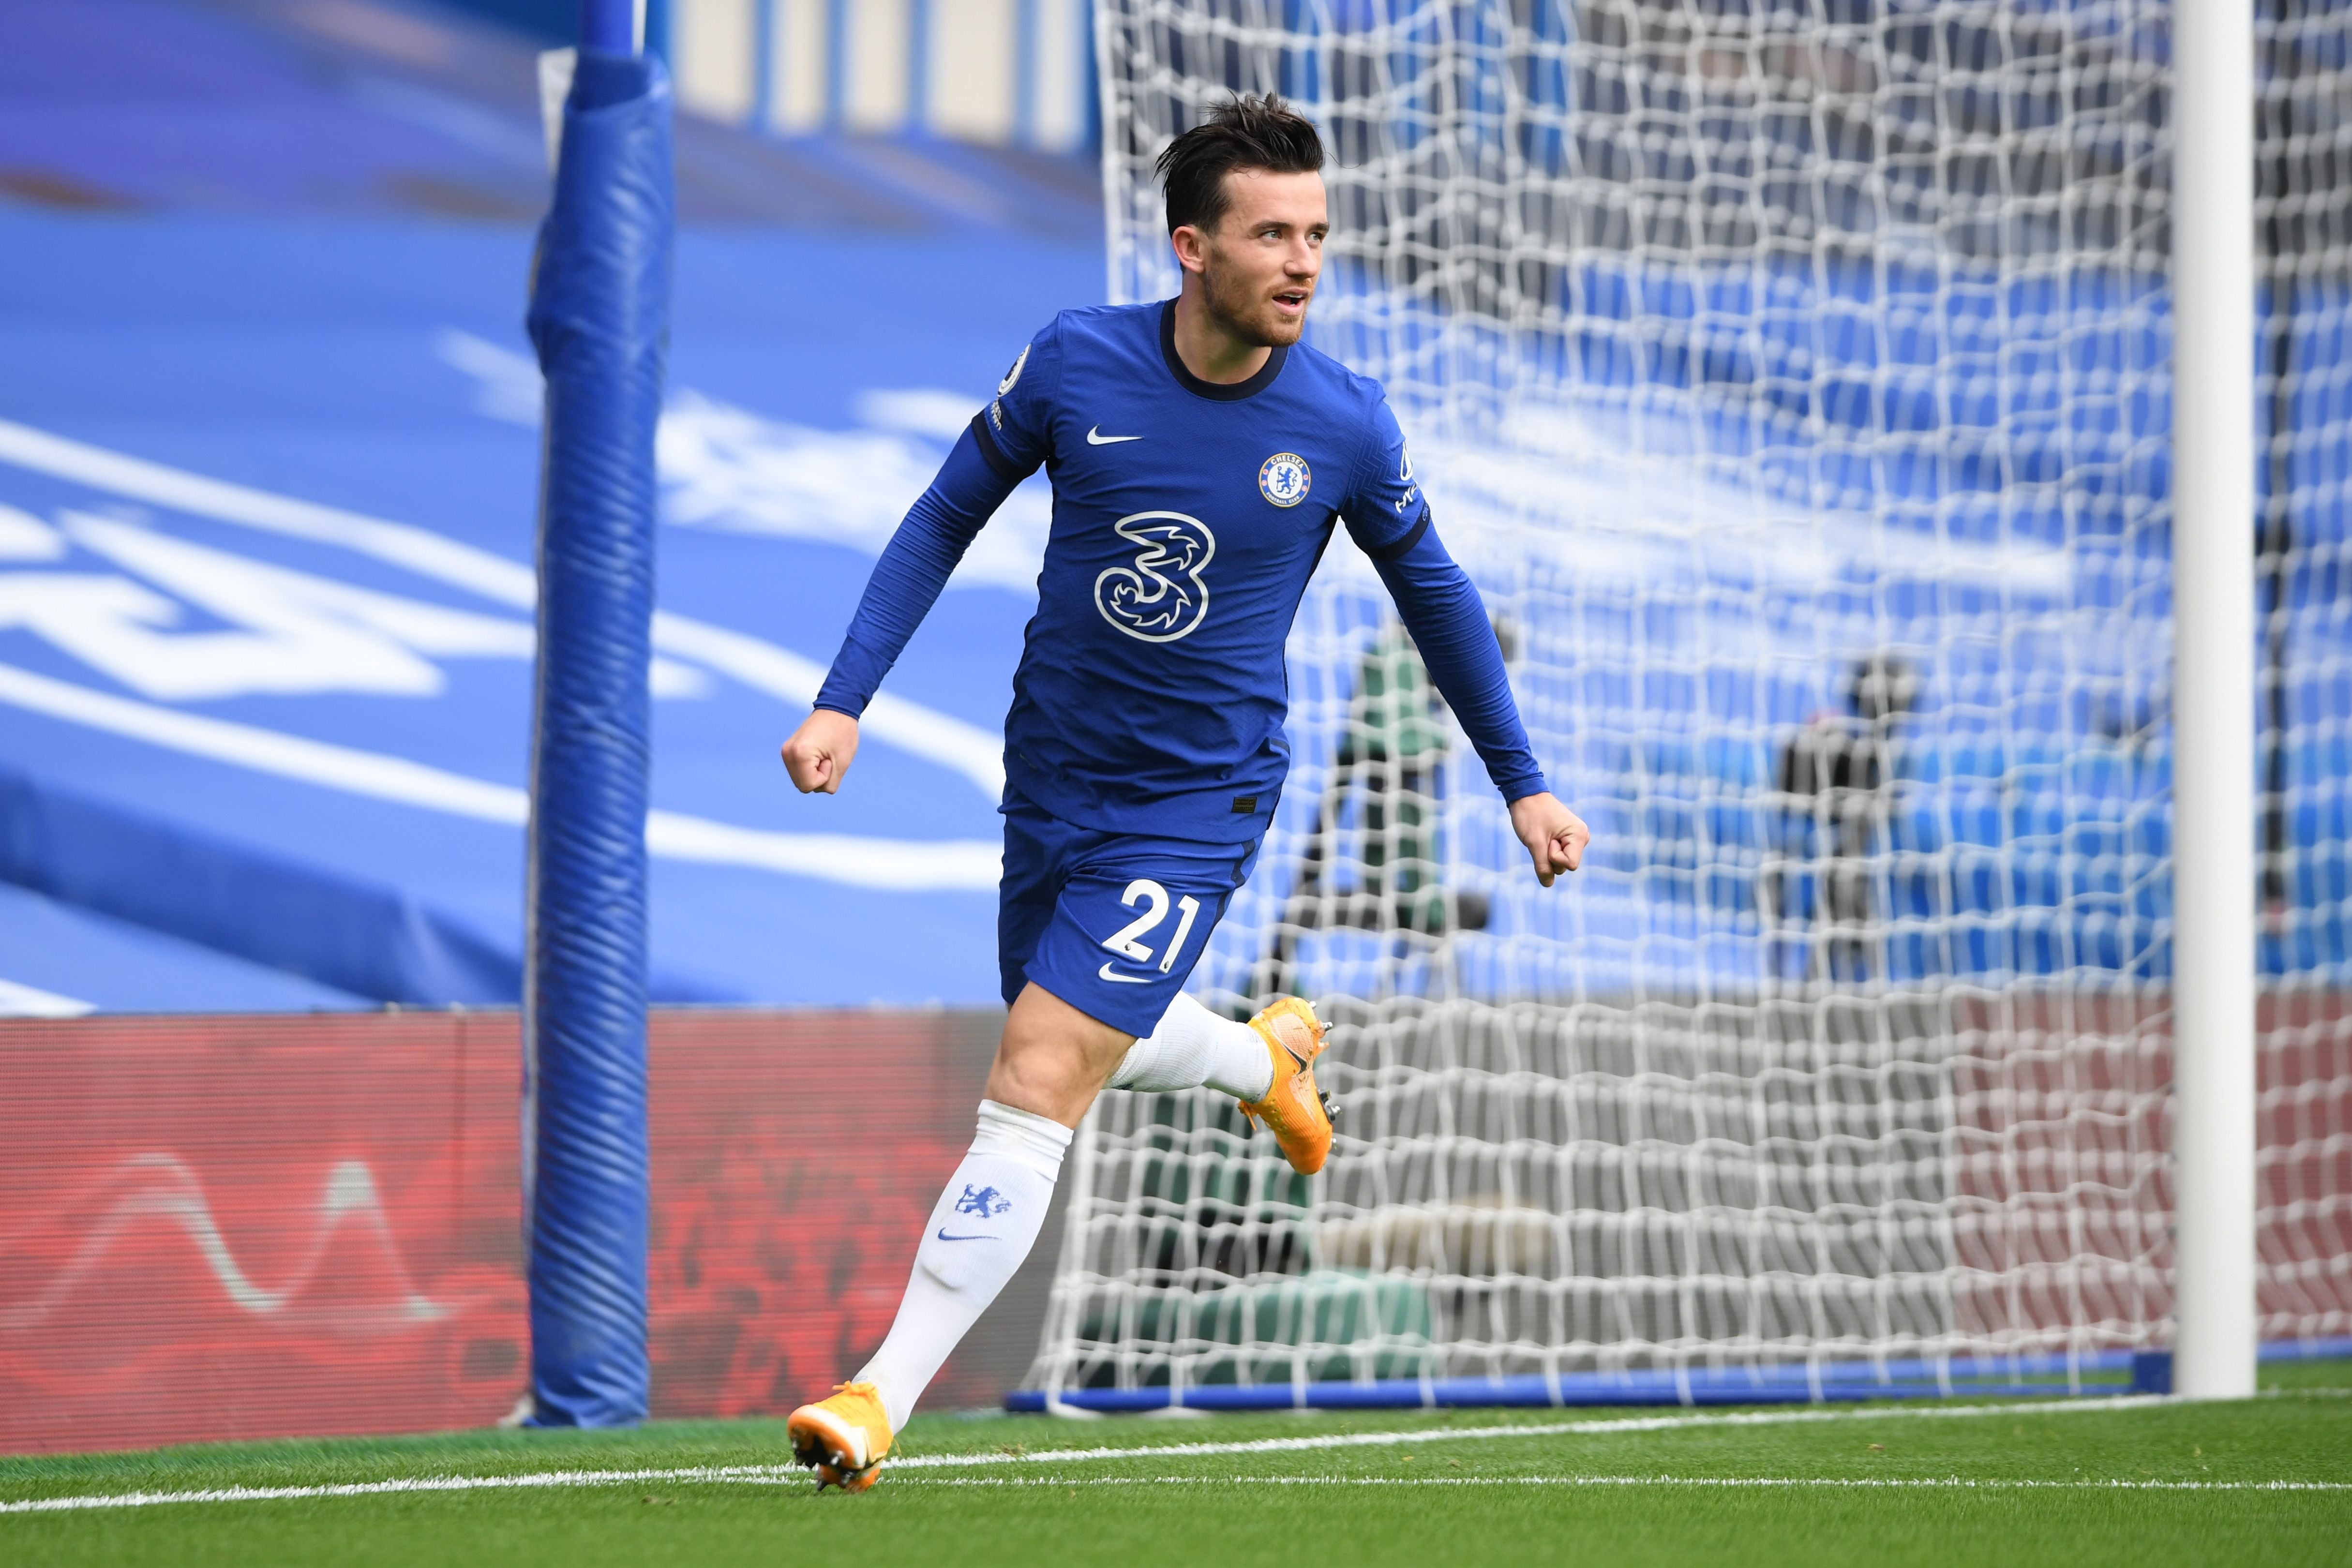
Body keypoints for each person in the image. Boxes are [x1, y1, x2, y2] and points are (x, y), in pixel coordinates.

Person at [775, 95, 1589, 1492]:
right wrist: (845, 694)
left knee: (1036, 1070)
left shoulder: (1341, 423)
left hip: (1196, 799)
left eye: (1318, 234)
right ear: (1191, 246)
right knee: (1079, 1041)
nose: (1303, 261)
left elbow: (1438, 597)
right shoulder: (1076, 362)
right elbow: (942, 514)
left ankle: (877, 1396)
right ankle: (1260, 1059)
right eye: (1273, 233)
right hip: (1055, 770)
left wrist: (1523, 784)